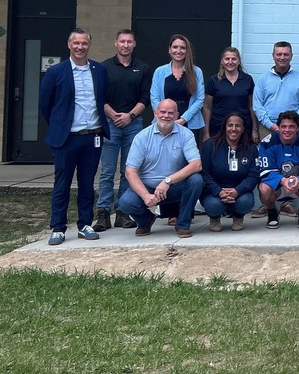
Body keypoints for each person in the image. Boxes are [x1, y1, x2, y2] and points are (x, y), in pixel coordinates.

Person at [38, 28, 110, 246]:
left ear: (89, 45)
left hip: (92, 137)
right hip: (66, 138)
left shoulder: (99, 70)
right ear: (69, 45)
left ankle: (84, 224)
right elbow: (45, 105)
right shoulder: (56, 72)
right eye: (76, 43)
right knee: (62, 183)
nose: (80, 47)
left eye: (84, 43)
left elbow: (102, 98)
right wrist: (60, 126)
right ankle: (58, 227)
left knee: (87, 183)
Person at [117, 99, 204, 238]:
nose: (166, 116)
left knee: (196, 180)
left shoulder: (186, 134)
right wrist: (146, 196)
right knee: (126, 203)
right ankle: (145, 221)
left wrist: (168, 181)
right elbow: (130, 171)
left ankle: (183, 224)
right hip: (149, 187)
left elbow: (196, 165)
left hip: (175, 186)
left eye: (171, 113)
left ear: (177, 115)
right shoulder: (142, 137)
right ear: (155, 113)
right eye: (162, 112)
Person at [93, 29, 151, 232]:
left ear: (134, 44)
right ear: (116, 43)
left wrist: (130, 116)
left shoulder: (142, 68)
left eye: (129, 42)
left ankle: (122, 213)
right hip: (110, 124)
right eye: (122, 41)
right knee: (107, 171)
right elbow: (99, 97)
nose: (126, 45)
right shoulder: (103, 68)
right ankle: (103, 213)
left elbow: (145, 98)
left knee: (129, 170)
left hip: (133, 124)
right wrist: (113, 115)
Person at [200, 112, 260, 231]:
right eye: (230, 125)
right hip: (214, 192)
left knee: (245, 202)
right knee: (214, 205)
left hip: (239, 192)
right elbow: (204, 173)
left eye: (237, 126)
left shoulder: (251, 148)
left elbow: (253, 175)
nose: (233, 129)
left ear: (243, 129)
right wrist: (219, 191)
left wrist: (237, 191)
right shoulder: (210, 145)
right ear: (225, 127)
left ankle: (238, 216)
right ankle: (215, 217)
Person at [256, 110, 299, 229]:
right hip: (278, 185)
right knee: (263, 188)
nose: (287, 130)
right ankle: (272, 212)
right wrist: (283, 181)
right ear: (278, 127)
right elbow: (265, 171)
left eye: (291, 126)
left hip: (297, 184)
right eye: (283, 126)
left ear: (298, 128)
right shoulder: (268, 143)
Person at [150, 34, 205, 140]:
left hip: (190, 123)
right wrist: (166, 118)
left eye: (182, 48)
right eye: (175, 47)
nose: (178, 51)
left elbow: (200, 99)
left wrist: (183, 119)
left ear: (187, 51)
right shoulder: (159, 71)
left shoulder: (196, 72)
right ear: (169, 50)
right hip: (164, 123)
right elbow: (154, 98)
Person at [253, 41, 299, 140]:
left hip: (291, 129)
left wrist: (294, 123)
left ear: (291, 56)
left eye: (286, 54)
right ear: (273, 56)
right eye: (279, 54)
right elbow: (257, 105)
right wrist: (271, 125)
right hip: (268, 127)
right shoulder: (263, 79)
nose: (282, 58)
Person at [202, 47, 256, 140]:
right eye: (227, 59)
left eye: (234, 59)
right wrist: (206, 132)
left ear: (239, 61)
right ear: (222, 61)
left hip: (243, 128)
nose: (230, 62)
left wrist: (254, 130)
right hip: (218, 128)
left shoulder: (247, 80)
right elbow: (207, 107)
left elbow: (252, 106)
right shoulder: (214, 81)